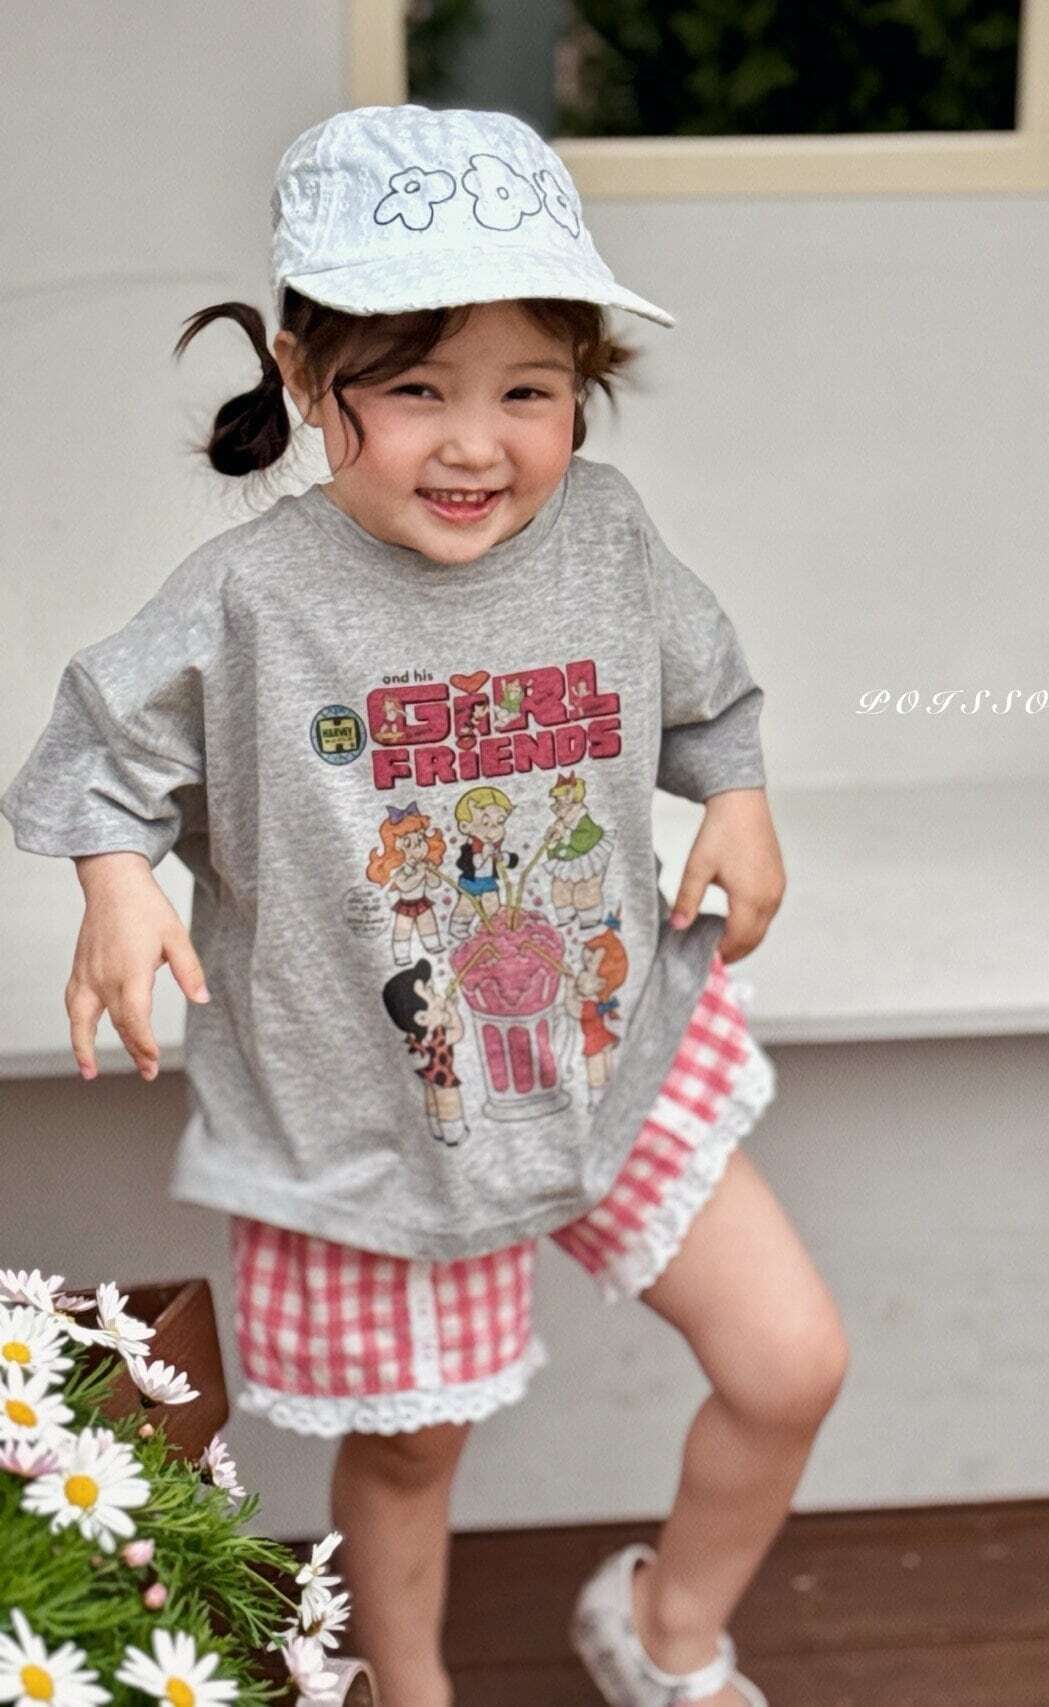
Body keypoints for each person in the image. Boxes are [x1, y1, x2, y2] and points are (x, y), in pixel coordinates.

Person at [0, 105, 849, 1707]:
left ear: (583, 384)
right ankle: (413, 1688)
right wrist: (116, 889)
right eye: (416, 390)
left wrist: (735, 799)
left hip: (608, 1051)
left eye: (529, 390)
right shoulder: (253, 599)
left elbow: (706, 686)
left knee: (792, 1361)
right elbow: (102, 754)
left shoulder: (605, 535)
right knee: (413, 1454)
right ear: (310, 379)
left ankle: (665, 1633)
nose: (477, 444)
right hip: (372, 1122)